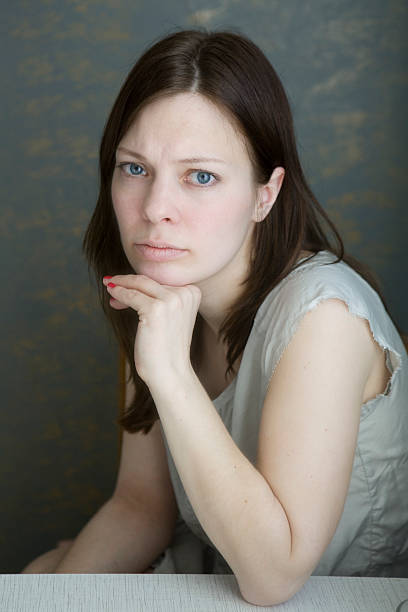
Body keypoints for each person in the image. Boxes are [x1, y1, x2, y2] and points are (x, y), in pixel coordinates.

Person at [21, 29, 408, 605]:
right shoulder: (161, 292)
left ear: (265, 195)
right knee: (36, 580)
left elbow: (274, 578)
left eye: (200, 176)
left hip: (332, 597)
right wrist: (49, 599)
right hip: (209, 575)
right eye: (134, 169)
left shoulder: (324, 318)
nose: (155, 210)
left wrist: (171, 374)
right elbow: (141, 506)